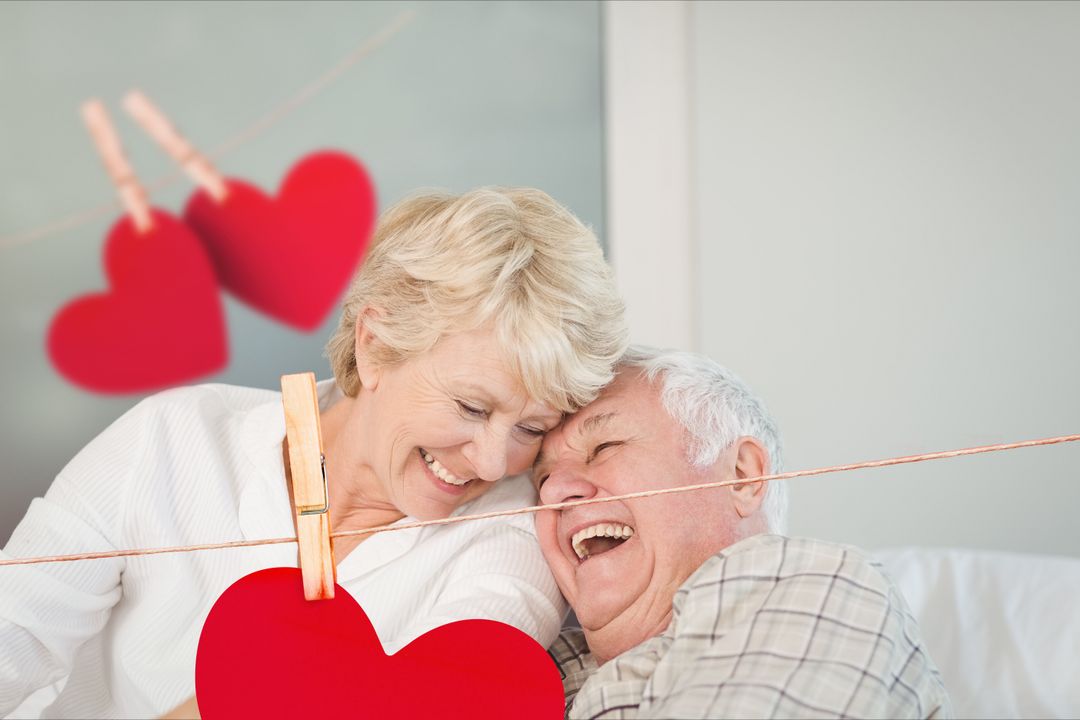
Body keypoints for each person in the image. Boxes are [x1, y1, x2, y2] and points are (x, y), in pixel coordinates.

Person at [0, 188, 628, 718]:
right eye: (471, 408)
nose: (494, 464)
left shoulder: (515, 534)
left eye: (531, 428)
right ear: (376, 345)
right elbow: (14, 636)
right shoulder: (173, 437)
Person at [535, 347, 952, 719]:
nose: (552, 492)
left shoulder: (814, 581)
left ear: (741, 476)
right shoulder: (539, 662)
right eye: (542, 479)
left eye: (604, 447)